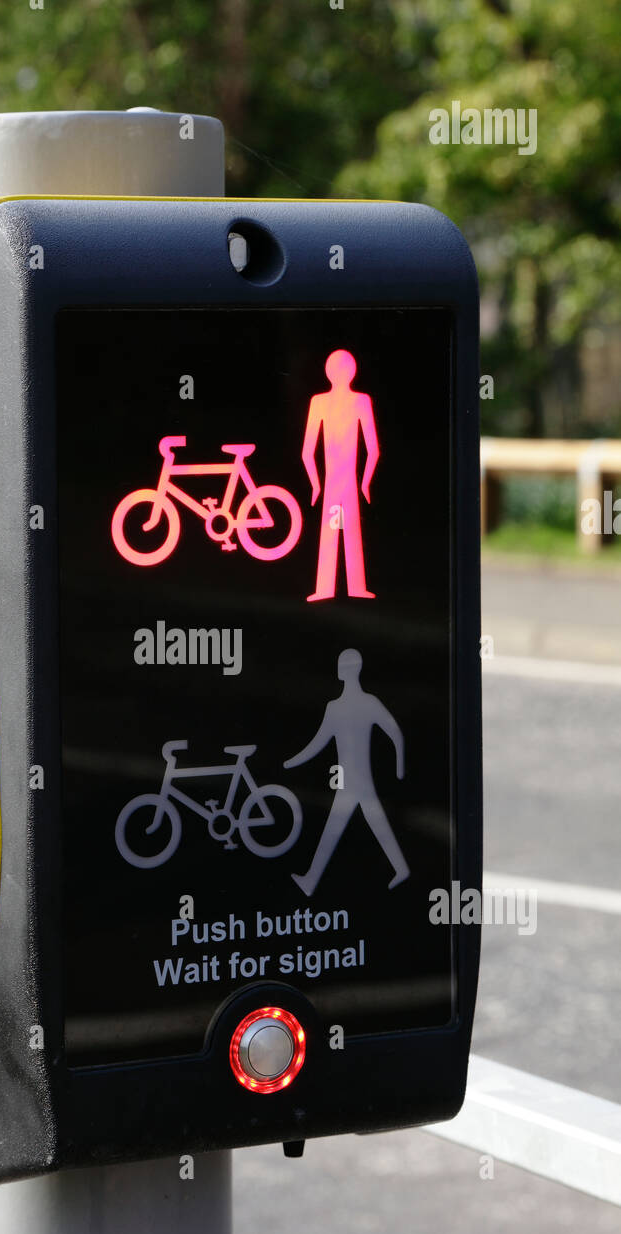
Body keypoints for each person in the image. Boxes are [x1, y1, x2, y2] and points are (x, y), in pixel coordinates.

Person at [285, 648, 409, 895]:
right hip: (352, 782)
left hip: (354, 783)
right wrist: (293, 761)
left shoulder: (352, 705)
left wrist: (400, 767)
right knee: (372, 824)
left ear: (350, 670)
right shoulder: (346, 706)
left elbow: (394, 732)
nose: (341, 670)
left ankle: (311, 880)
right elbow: (319, 742)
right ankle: (400, 869)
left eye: (344, 665)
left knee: (338, 829)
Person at [300, 349, 378, 600]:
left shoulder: (321, 402)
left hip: (333, 483)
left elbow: (306, 453)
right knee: (349, 529)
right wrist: (365, 482)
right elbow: (373, 450)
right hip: (347, 482)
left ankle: (327, 589)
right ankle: (351, 588)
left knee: (334, 530)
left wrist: (316, 484)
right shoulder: (359, 401)